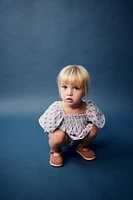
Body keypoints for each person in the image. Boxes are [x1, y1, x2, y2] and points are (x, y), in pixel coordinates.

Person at [39, 65, 105, 167]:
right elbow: (49, 128)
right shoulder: (57, 108)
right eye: (64, 87)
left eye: (76, 88)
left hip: (81, 134)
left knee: (93, 129)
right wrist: (55, 136)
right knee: (58, 136)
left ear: (85, 91)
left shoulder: (89, 107)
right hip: (64, 136)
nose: (69, 93)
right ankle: (56, 151)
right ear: (59, 88)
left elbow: (98, 121)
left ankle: (82, 146)